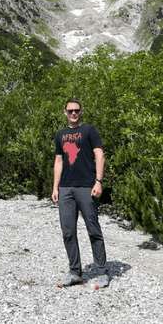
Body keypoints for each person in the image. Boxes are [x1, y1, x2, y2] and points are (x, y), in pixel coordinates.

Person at [52, 98, 108, 288]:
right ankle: (75, 272)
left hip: (86, 186)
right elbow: (59, 161)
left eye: (76, 110)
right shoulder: (60, 134)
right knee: (68, 231)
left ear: (81, 112)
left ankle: (101, 272)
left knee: (93, 230)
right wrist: (55, 187)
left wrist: (98, 181)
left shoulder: (89, 130)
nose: (73, 113)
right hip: (66, 188)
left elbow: (99, 154)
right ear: (65, 112)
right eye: (70, 111)